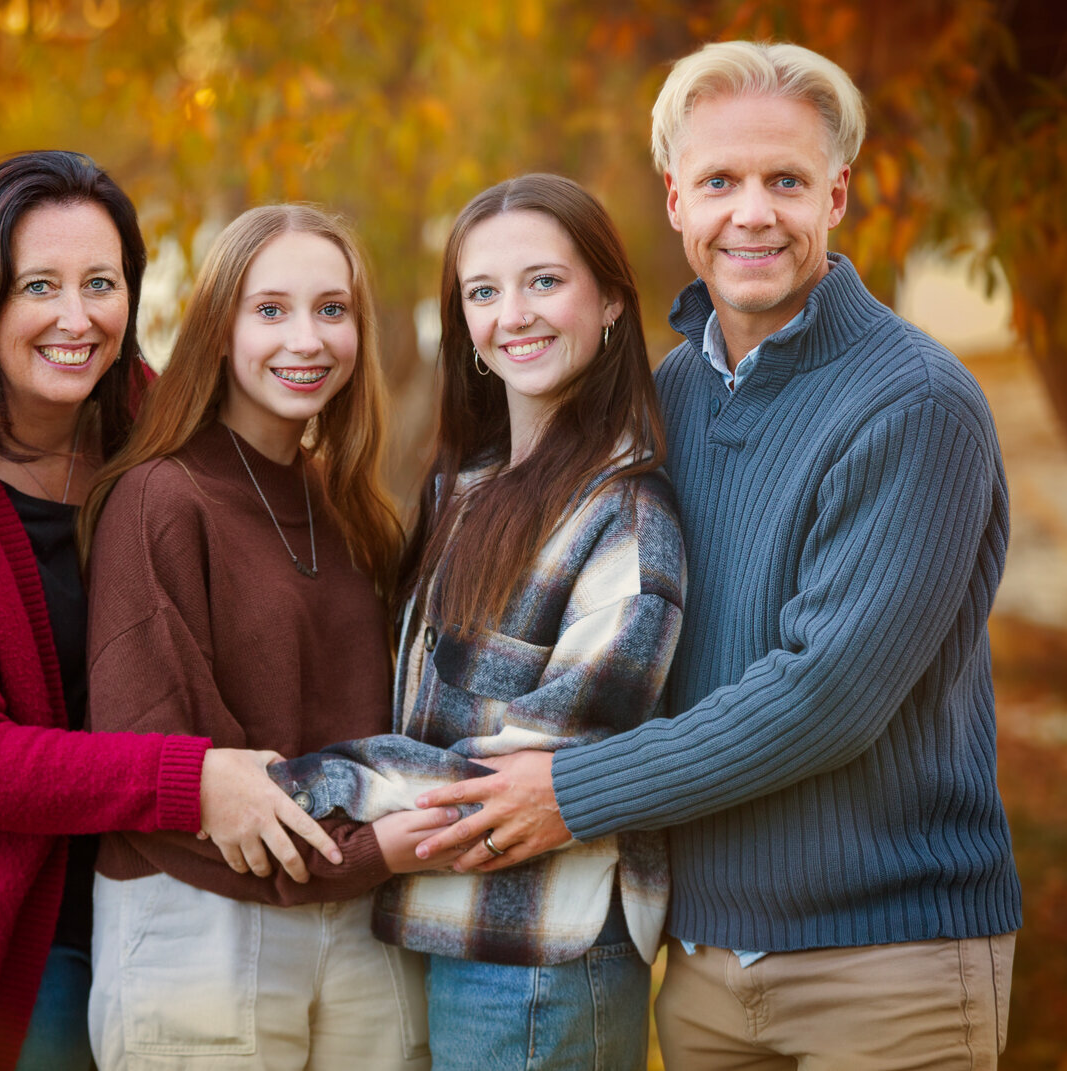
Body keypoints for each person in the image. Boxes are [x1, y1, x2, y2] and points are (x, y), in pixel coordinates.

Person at [411, 41, 1023, 1070]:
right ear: (674, 200)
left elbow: (826, 696)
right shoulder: (670, 401)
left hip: (885, 967)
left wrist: (568, 792)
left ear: (837, 193)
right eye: (720, 182)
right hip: (698, 974)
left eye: (786, 180)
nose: (753, 213)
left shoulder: (915, 405)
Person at [0, 152, 345, 1071]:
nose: (76, 317)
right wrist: (195, 781)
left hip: (156, 895)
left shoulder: (152, 429)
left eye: (102, 283)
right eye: (38, 286)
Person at [269, 173, 684, 1069]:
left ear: (610, 300)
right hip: (443, 935)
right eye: (483, 292)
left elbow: (530, 777)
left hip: (541, 958)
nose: (514, 315)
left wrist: (312, 786)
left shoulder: (626, 520)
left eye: (545, 281)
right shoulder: (461, 492)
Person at [79, 203, 460, 1071]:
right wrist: (374, 850)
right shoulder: (161, 498)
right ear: (218, 330)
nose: (307, 338)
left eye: (333, 310)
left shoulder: (348, 506)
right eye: (271, 309)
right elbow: (159, 757)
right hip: (202, 923)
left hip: (359, 918)